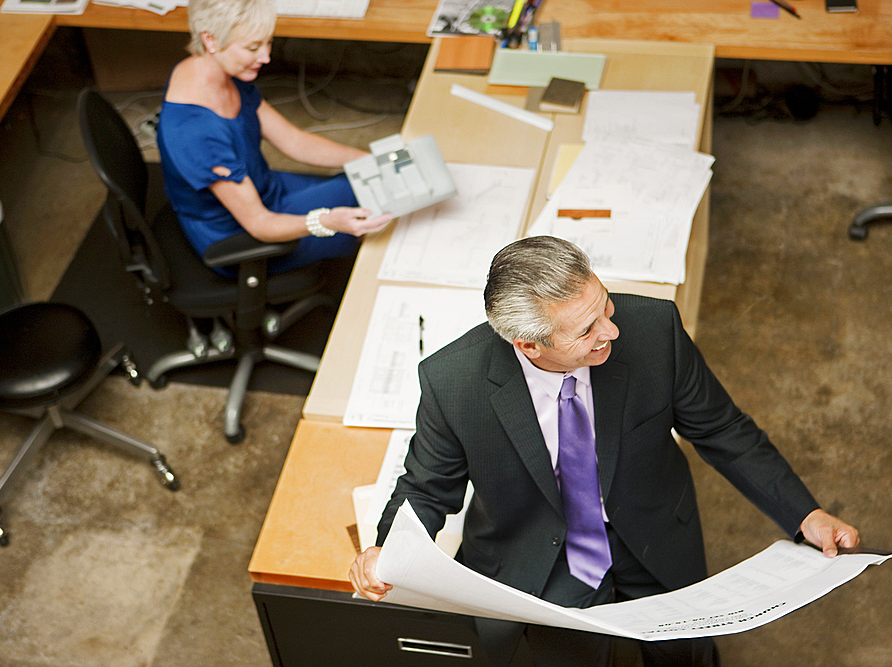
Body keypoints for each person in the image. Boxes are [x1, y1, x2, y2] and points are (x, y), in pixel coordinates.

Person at [349, 236, 860, 667]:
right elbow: (425, 487)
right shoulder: (452, 382)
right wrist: (385, 552)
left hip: (654, 529)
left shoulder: (654, 331)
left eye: (606, 308)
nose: (610, 332)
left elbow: (724, 430)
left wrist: (804, 513)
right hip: (537, 557)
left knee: (686, 655)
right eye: (587, 331)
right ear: (529, 345)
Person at [156, 0, 393, 276]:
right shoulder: (194, 133)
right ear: (210, 40)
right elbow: (259, 223)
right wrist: (326, 221)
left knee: (368, 184)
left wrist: (369, 160)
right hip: (237, 234)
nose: (266, 57)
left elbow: (294, 141)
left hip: (264, 189)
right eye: (253, 47)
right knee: (374, 218)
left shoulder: (218, 69)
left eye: (268, 42)